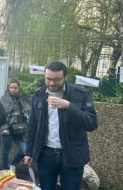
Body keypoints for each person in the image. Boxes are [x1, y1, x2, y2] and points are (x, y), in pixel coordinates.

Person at [24, 61, 98, 190]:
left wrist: (69, 106)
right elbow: (32, 125)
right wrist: (29, 152)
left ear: (65, 77)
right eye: (48, 79)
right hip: (46, 155)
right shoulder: (39, 94)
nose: (52, 83)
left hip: (72, 155)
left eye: (56, 80)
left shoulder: (81, 94)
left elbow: (91, 124)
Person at [0, 79, 30, 170]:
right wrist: (4, 129)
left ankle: (12, 167)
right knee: (6, 151)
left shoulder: (23, 98)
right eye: (11, 87)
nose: (13, 89)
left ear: (19, 88)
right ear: (9, 88)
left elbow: (28, 113)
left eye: (15, 87)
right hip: (8, 130)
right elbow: (1, 115)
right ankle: (6, 170)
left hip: (21, 130)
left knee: (24, 150)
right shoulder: (4, 99)